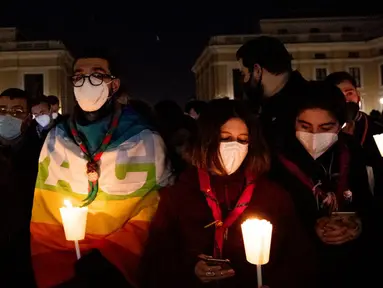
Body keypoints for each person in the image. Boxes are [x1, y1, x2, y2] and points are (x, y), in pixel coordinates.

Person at [30, 49, 172, 288]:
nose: (86, 83)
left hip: (118, 268)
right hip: (65, 262)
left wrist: (111, 258)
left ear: (113, 84)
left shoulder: (145, 139)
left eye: (96, 75)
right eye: (78, 77)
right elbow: (44, 206)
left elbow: (155, 203)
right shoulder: (56, 138)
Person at [140, 98, 318, 288]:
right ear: (206, 139)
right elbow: (156, 262)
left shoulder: (273, 196)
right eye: (225, 138)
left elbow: (298, 257)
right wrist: (191, 269)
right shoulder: (178, 196)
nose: (234, 146)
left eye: (242, 140)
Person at [270, 81, 377, 288]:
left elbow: (372, 203)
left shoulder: (356, 154)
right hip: (299, 271)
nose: (314, 136)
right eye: (305, 126)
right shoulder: (277, 162)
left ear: (340, 125)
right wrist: (311, 228)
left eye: (325, 127)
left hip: (354, 269)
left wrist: (358, 224)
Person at [236, 36, 308, 149]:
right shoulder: (272, 105)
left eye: (244, 73)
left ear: (257, 70)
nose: (243, 81)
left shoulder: (300, 107)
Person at [0, 88, 41, 287]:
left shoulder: (41, 150)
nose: (8, 117)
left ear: (28, 117)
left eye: (17, 111)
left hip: (28, 245)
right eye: (2, 110)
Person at [325, 71, 383, 205]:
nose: (345, 99)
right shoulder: (324, 131)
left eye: (349, 93)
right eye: (338, 95)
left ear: (358, 96)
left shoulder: (378, 131)